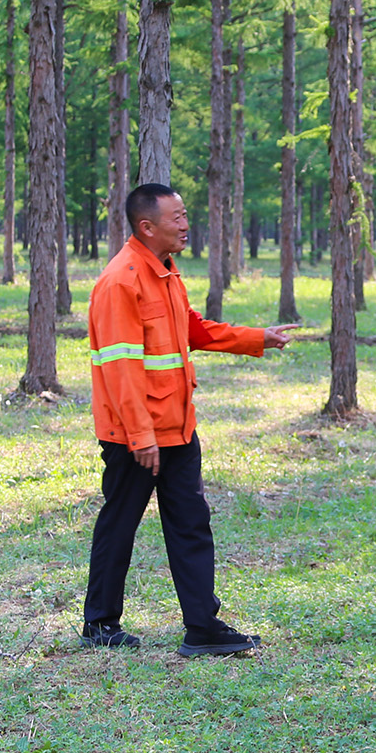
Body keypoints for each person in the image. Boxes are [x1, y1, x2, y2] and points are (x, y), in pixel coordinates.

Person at [83, 183, 298, 656]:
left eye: (184, 215)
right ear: (147, 226)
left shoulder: (164, 271)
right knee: (120, 524)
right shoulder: (121, 281)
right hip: (135, 437)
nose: (185, 224)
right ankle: (100, 623)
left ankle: (202, 626)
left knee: (191, 524)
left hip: (178, 429)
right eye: (176, 218)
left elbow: (194, 330)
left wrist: (256, 338)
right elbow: (120, 371)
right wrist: (141, 437)